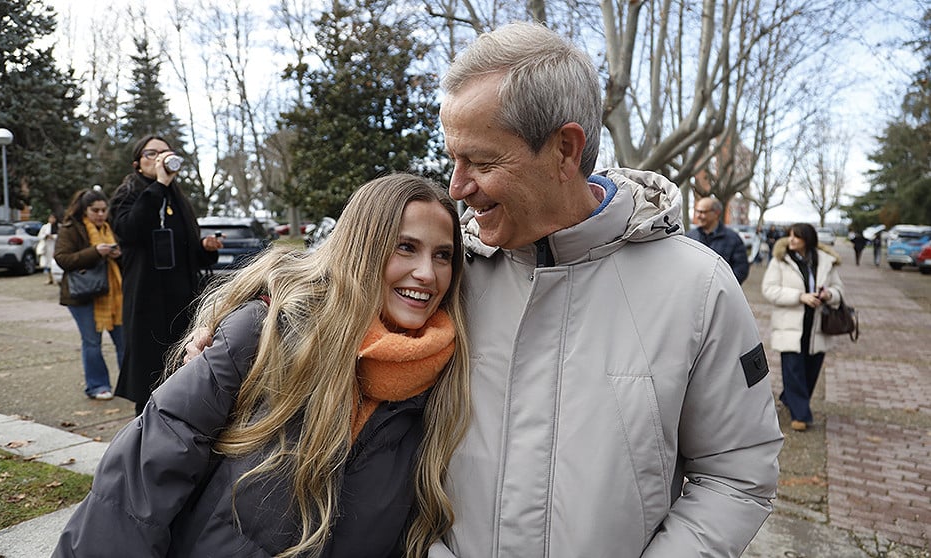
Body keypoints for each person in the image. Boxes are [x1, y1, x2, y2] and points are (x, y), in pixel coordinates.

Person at [185, 21, 782, 557]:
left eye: (480, 161)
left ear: (565, 150)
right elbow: (332, 280)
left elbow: (736, 471)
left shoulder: (698, 288)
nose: (458, 185)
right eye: (452, 158)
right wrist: (243, 305)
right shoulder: (451, 269)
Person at [54, 174, 471, 557]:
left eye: (443, 255)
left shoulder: (443, 378)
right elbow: (140, 481)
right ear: (362, 247)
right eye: (406, 247)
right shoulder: (266, 332)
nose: (426, 274)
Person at [108, 134, 222, 414]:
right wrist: (158, 185)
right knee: (149, 370)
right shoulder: (129, 195)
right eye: (152, 153)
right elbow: (129, 231)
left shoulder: (177, 198)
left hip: (182, 299)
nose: (160, 157)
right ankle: (146, 430)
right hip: (147, 298)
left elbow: (186, 249)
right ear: (137, 164)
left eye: (166, 152)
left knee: (181, 365)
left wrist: (205, 248)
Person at [762, 223, 844, 432]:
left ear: (807, 239)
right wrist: (799, 297)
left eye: (796, 237)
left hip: (817, 324)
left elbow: (838, 290)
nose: (791, 240)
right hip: (790, 323)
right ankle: (801, 415)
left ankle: (790, 397)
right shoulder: (781, 260)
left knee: (811, 369)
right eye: (790, 236)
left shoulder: (826, 261)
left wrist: (828, 295)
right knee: (793, 368)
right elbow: (769, 290)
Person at [53, 189, 124, 400]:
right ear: (85, 210)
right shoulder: (71, 229)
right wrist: (95, 252)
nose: (101, 214)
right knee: (92, 343)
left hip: (114, 294)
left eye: (104, 210)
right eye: (95, 210)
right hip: (83, 295)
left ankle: (127, 385)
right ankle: (97, 386)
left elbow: (126, 261)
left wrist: (119, 254)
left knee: (124, 342)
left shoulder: (112, 229)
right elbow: (62, 259)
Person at [685, 196, 750, 283]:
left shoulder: (733, 239)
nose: (698, 216)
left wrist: (722, 288)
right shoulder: (689, 237)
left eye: (702, 212)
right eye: (697, 211)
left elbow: (741, 270)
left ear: (716, 213)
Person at [36, 213, 58, 284]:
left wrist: (53, 237)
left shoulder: (58, 226)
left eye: (53, 218)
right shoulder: (45, 227)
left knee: (55, 263)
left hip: (55, 246)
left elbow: (61, 236)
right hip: (47, 247)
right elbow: (40, 236)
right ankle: (49, 278)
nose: (52, 220)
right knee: (47, 263)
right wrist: (45, 236)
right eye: (51, 218)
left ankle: (55, 279)